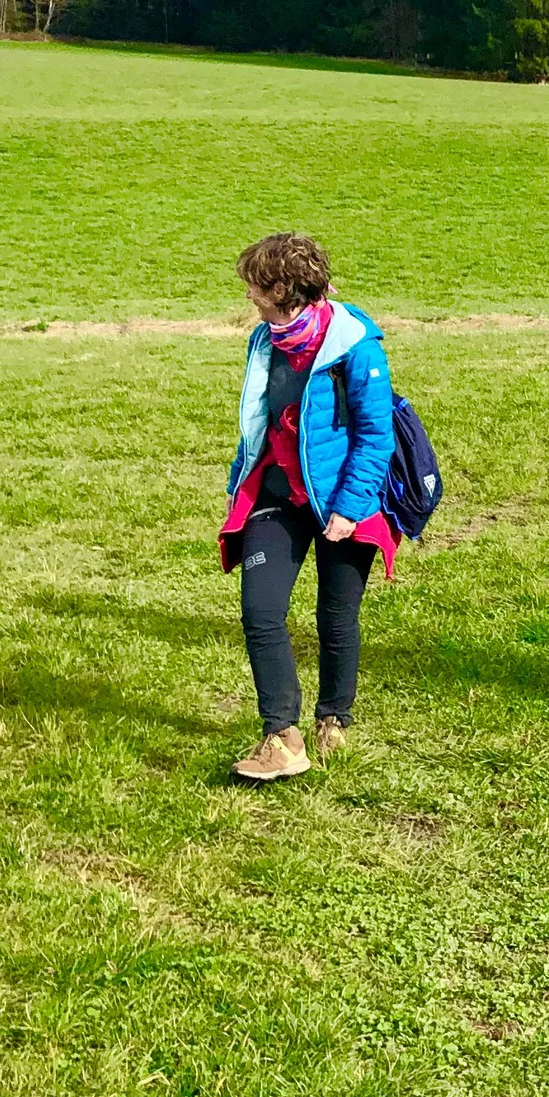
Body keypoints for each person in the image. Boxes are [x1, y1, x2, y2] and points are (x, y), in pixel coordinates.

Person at [221, 233, 397, 784]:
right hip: (277, 496)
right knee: (260, 611)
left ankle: (333, 717)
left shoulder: (357, 348)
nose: (248, 294)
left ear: (283, 290)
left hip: (344, 500)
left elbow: (376, 436)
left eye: (255, 285)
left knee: (335, 616)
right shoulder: (264, 340)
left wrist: (347, 508)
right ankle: (282, 736)